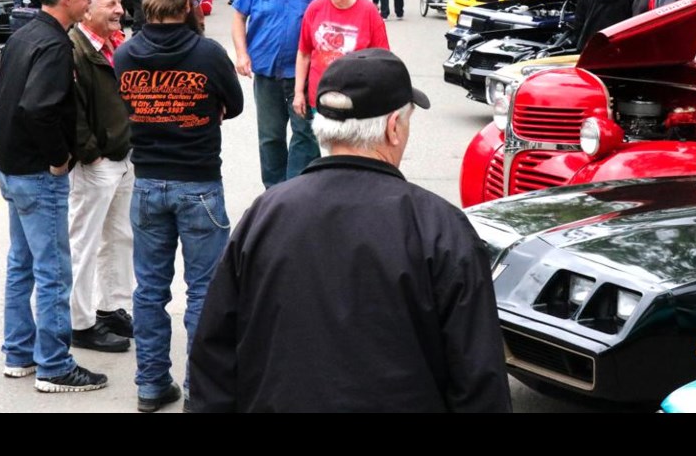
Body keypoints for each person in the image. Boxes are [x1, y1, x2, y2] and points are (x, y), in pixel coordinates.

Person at [189, 48, 513, 413]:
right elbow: (478, 376)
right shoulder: (439, 227)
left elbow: (213, 359)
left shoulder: (264, 215)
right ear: (393, 128)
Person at [113, 0, 244, 412]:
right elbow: (236, 104)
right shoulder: (206, 54)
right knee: (204, 289)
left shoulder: (127, 55)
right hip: (199, 183)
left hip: (148, 182)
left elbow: (124, 104)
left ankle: (151, 384)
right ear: (188, 4)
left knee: (149, 290)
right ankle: (199, 389)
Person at [0, 0, 107, 392]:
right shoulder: (57, 46)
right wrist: (59, 157)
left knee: (21, 263)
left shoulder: (24, 34)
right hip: (37, 171)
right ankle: (54, 365)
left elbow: (1, 94)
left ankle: (19, 353)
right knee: (54, 268)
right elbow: (38, 107)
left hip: (12, 166)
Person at [67, 0, 134, 354]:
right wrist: (90, 153)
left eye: (119, 1)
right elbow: (71, 111)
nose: (119, 9)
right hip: (96, 162)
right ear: (88, 10)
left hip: (122, 157)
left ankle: (112, 308)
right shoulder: (75, 49)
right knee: (84, 242)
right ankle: (79, 323)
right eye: (110, 3)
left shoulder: (116, 43)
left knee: (119, 237)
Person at [233, 0, 325, 188]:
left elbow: (323, 15)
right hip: (267, 71)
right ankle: (274, 192)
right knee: (271, 137)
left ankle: (298, 190)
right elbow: (239, 16)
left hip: (303, 74)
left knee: (306, 134)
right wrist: (241, 54)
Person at [292, 0, 389, 119]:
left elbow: (382, 58)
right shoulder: (315, 8)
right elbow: (304, 53)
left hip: (356, 96)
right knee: (326, 143)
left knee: (352, 143)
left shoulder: (368, 11)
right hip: (322, 95)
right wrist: (298, 93)